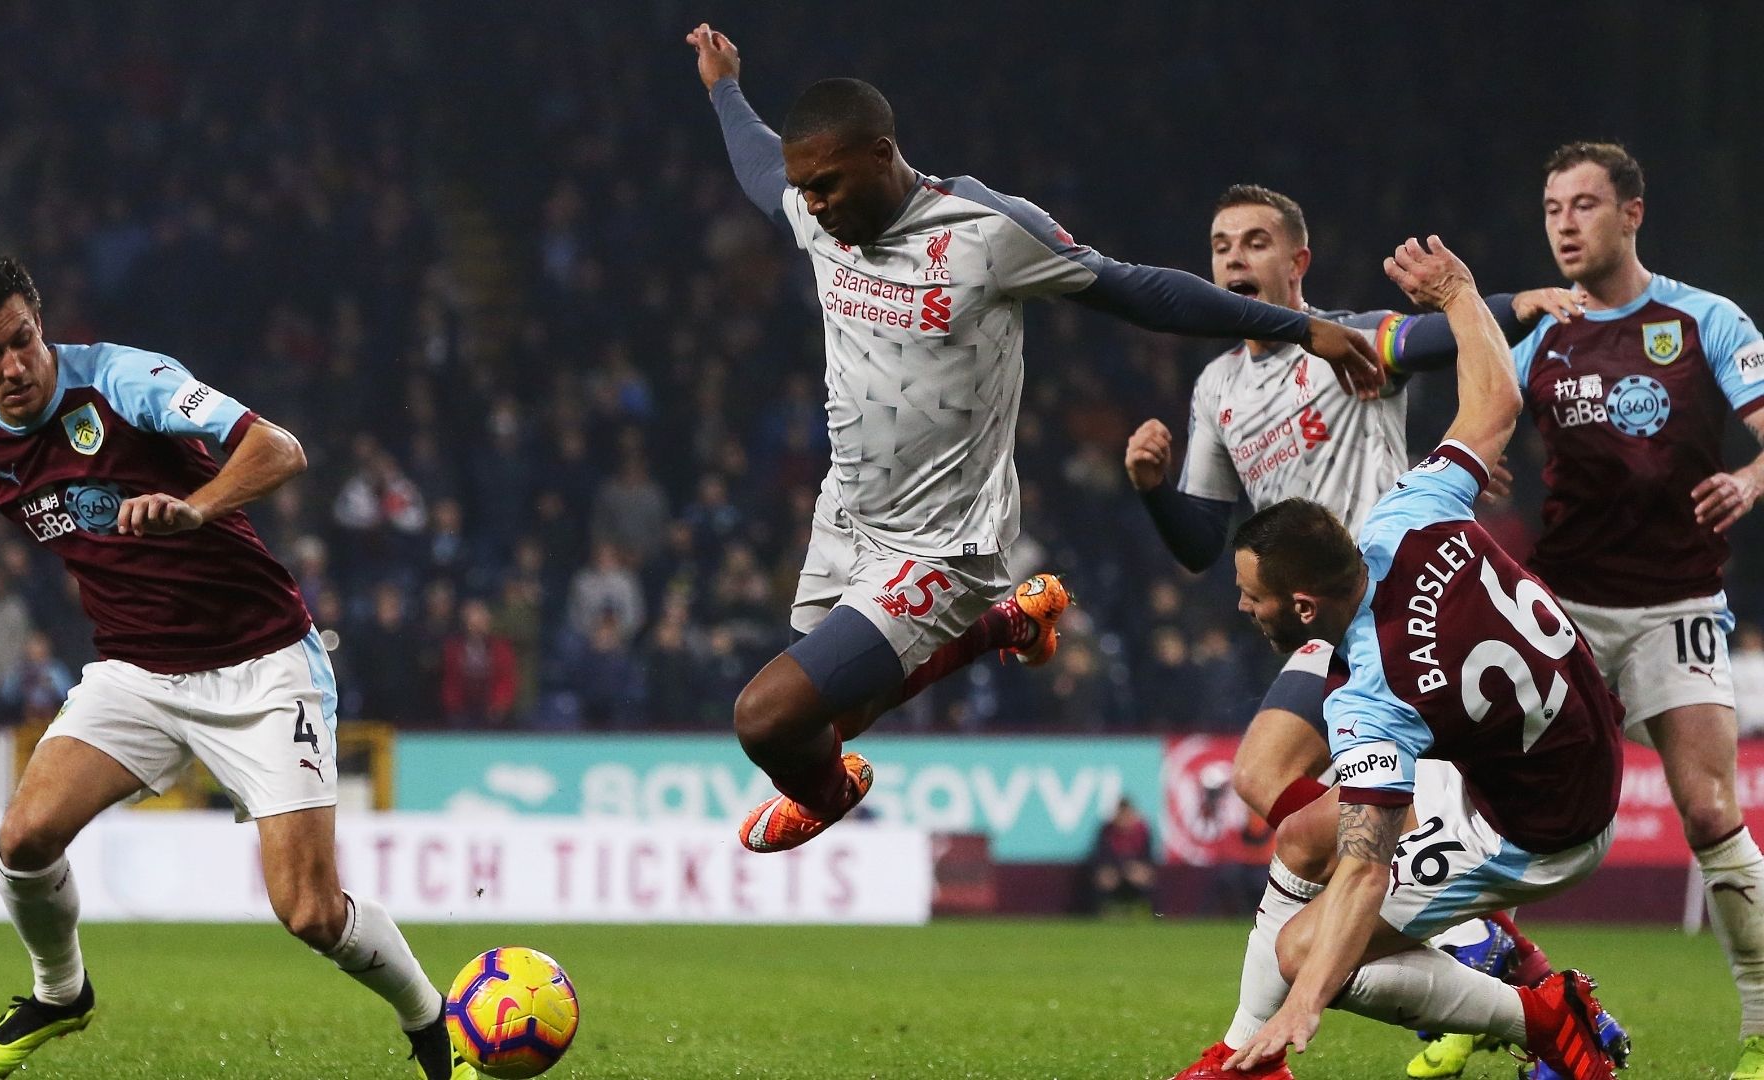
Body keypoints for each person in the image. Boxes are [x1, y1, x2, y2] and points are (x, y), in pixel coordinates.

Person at [686, 23, 1388, 854]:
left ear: (882, 155)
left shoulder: (985, 231)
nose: (814, 205)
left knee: (769, 720)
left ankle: (835, 788)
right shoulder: (816, 216)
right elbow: (762, 163)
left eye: (829, 185)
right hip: (847, 518)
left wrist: (1297, 327)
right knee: (830, 713)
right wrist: (723, 87)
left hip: (942, 545)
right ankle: (1006, 626)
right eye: (808, 191)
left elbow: (1140, 292)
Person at [0, 254, 465, 1080]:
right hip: (137, 674)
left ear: (39, 319)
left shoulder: (127, 381)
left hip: (264, 663)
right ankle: (60, 993)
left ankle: (434, 1027)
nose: (14, 366)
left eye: (22, 340)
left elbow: (279, 451)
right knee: (25, 838)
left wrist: (195, 507)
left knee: (310, 912)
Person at [1128, 184, 1580, 1078]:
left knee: (1283, 796)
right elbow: (1200, 546)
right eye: (1221, 246)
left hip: (1391, 611)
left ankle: (1430, 942)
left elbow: (1428, 340)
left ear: (1297, 262)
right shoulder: (1217, 384)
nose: (1234, 260)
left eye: (1256, 243)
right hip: (1315, 625)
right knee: (1270, 787)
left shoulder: (1348, 339)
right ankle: (1477, 942)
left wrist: (1505, 304)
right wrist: (1152, 489)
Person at [1511, 142, 1764, 1079]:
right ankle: (1491, 996)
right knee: (1498, 810)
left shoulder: (1703, 320)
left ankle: (1763, 1030)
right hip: (1563, 606)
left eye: (1583, 205)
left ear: (1633, 214)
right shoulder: (1541, 333)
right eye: (1551, 209)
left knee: (1706, 813)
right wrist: (1480, 458)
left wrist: (1749, 477)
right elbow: (1481, 422)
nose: (1565, 224)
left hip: (1676, 601)